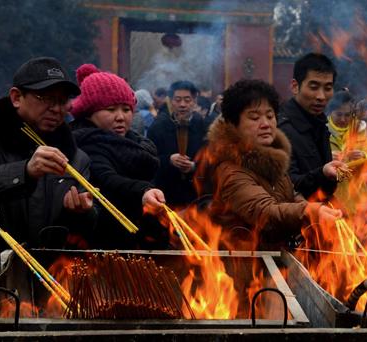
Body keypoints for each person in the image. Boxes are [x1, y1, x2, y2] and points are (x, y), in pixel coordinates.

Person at [206, 79, 342, 250]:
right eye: (254, 117)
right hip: (243, 264)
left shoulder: (273, 159)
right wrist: (308, 212)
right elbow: (264, 212)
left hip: (277, 257)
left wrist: (319, 211)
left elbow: (291, 195)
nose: (266, 124)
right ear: (234, 124)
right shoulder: (230, 170)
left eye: (270, 116)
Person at [0, 57, 96, 249]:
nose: (57, 109)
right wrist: (24, 172)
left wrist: (82, 212)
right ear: (17, 97)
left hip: (51, 271)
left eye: (63, 100)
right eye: (47, 98)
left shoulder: (76, 158)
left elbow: (86, 231)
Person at [70, 64, 167, 249]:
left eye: (126, 109)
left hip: (139, 239)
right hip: (102, 244)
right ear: (89, 113)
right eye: (111, 109)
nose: (121, 117)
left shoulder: (137, 144)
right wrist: (143, 191)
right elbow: (108, 178)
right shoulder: (85, 144)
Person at [278, 53, 347, 200]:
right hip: (299, 216)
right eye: (314, 87)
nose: (321, 96)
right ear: (295, 86)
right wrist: (322, 173)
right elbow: (286, 185)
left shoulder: (320, 124)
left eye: (328, 88)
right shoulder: (282, 129)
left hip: (324, 214)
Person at [147, 80, 207, 207]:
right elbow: (148, 160)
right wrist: (169, 159)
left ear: (195, 101)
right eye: (178, 100)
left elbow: (210, 157)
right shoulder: (158, 126)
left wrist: (194, 166)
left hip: (195, 194)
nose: (182, 104)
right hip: (166, 194)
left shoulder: (202, 125)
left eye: (187, 100)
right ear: (170, 101)